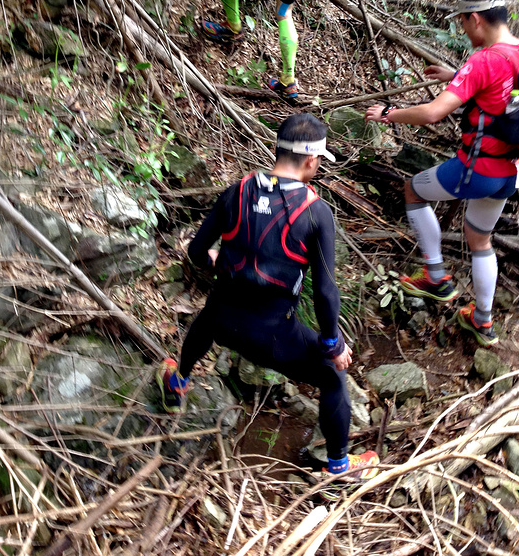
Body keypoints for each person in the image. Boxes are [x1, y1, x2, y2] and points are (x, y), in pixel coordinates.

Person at [157, 113, 378, 481]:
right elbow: (325, 292)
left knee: (208, 317)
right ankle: (339, 468)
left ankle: (177, 384)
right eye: (319, 160)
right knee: (332, 377)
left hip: (222, 323)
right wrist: (333, 344)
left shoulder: (237, 191)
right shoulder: (316, 212)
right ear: (311, 160)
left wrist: (215, 260)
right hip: (274, 338)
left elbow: (196, 251)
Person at [365, 0, 519, 347]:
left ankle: (436, 278)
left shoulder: (483, 60)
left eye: (463, 21)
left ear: (475, 18)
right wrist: (456, 75)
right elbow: (504, 91)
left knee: (413, 190)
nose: (463, 29)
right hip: (513, 170)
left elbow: (433, 113)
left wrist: (389, 113)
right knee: (480, 239)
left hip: (478, 169)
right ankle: (482, 322)